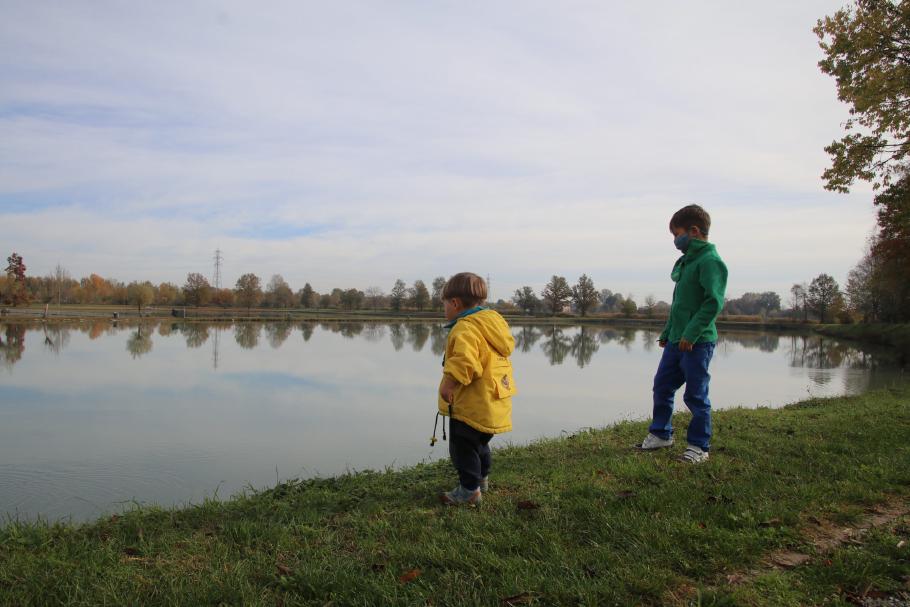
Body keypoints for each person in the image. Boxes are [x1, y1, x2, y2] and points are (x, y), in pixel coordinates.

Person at [639, 204, 727, 463]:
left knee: (695, 395)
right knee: (663, 386)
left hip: (697, 342)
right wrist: (669, 332)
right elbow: (680, 305)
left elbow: (713, 302)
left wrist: (691, 333)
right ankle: (661, 434)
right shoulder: (689, 262)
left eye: (676, 234)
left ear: (694, 231)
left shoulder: (711, 261)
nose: (675, 240)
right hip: (677, 340)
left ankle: (699, 447)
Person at [436, 272, 516, 505]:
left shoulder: (465, 328)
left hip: (471, 403)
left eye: (444, 305)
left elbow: (465, 362)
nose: (444, 310)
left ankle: (469, 491)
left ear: (454, 303)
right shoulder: (493, 324)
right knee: (480, 444)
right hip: (493, 400)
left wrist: (449, 383)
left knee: (463, 448)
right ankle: (481, 480)